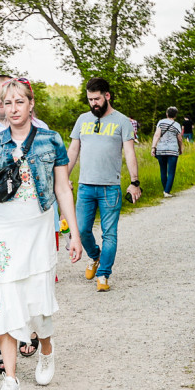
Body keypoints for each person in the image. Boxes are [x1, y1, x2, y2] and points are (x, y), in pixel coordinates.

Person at [0, 79, 82, 390]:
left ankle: (46, 349)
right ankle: (10, 381)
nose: (12, 108)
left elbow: (62, 189)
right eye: (7, 102)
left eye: (19, 102)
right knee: (2, 298)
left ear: (30, 104)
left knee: (38, 305)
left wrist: (74, 233)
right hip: (2, 232)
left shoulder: (50, 140)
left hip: (37, 228)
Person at [67, 77, 141, 292]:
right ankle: (95, 256)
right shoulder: (82, 120)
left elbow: (129, 153)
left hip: (110, 187)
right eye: (90, 100)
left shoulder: (122, 121)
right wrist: (64, 178)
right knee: (80, 230)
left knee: (110, 233)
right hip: (85, 186)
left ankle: (103, 274)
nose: (93, 104)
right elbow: (73, 151)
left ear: (107, 96)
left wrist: (134, 181)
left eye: (97, 99)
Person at [151, 106, 183, 197]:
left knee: (163, 170)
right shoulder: (177, 125)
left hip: (161, 150)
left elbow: (157, 135)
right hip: (173, 150)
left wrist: (153, 147)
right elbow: (179, 139)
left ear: (166, 114)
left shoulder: (161, 122)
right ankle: (167, 191)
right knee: (171, 171)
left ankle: (165, 189)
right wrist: (180, 149)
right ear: (175, 115)